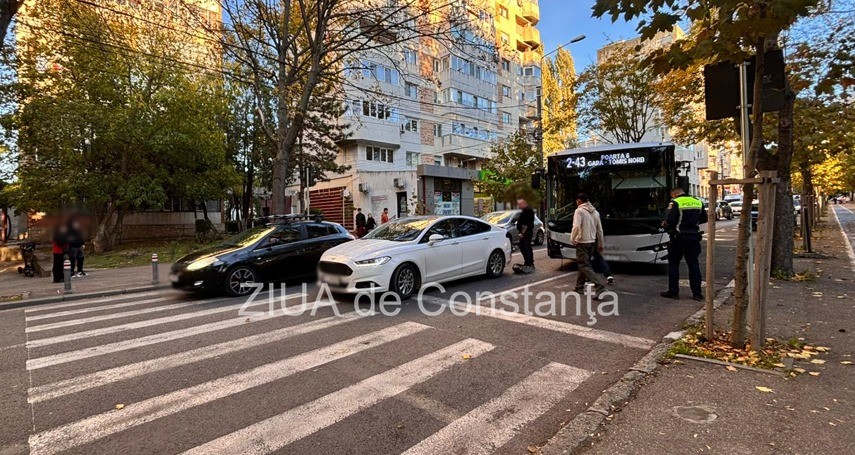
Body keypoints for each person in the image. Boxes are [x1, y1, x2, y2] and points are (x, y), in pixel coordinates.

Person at [660, 187, 708, 301]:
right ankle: (697, 293)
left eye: (672, 195)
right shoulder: (697, 202)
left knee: (673, 265)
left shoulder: (675, 202)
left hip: (678, 237)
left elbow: (670, 220)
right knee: (693, 265)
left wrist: (665, 224)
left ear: (675, 194)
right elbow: (704, 219)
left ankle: (673, 292)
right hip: (694, 237)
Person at [570, 193, 608, 297]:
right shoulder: (595, 212)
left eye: (576, 201)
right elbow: (600, 230)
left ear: (579, 201)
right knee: (584, 264)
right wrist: (601, 244)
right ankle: (579, 287)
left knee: (584, 265)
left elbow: (576, 226)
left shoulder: (579, 211)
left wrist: (573, 238)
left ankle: (599, 286)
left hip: (582, 242)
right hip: (592, 242)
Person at [516, 198, 535, 273]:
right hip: (526, 232)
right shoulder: (527, 210)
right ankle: (529, 262)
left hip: (526, 232)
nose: (519, 206)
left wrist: (522, 233)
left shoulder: (527, 211)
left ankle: (528, 263)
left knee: (524, 247)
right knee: (526, 247)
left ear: (523, 203)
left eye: (520, 205)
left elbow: (526, 224)